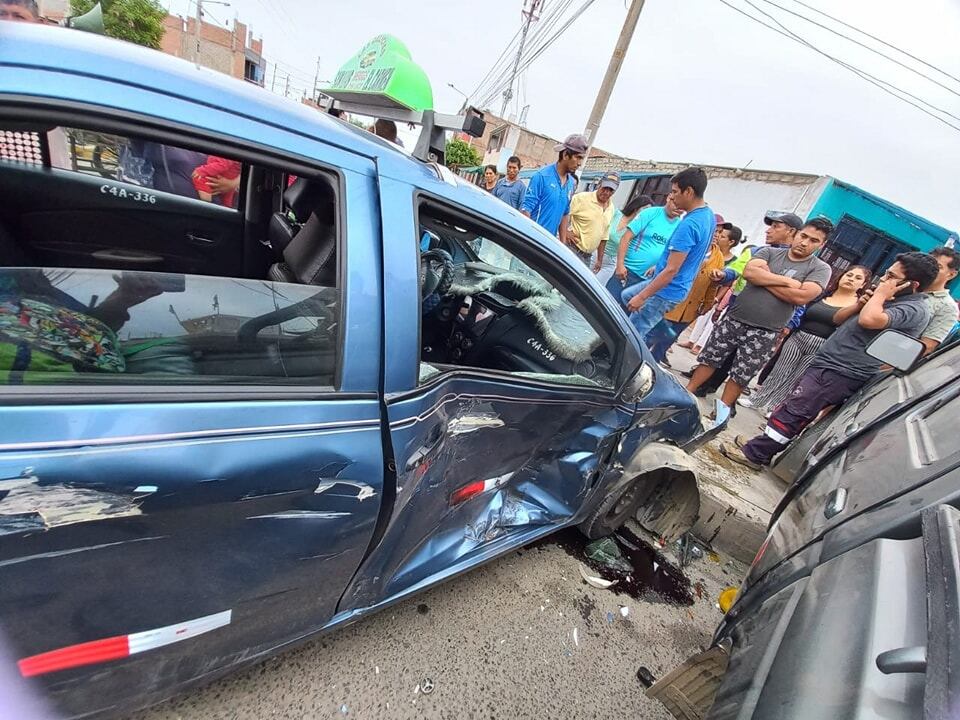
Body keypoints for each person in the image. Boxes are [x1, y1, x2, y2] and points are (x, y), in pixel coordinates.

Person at [722, 252, 939, 469]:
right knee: (792, 405)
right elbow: (838, 319)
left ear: (912, 284)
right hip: (829, 362)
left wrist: (879, 297)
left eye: (891, 276)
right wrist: (861, 303)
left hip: (843, 370)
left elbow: (869, 320)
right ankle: (761, 445)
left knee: (797, 410)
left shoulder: (914, 309)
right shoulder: (887, 300)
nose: (883, 280)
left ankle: (755, 454)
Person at [686, 218, 834, 425]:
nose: (805, 243)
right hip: (736, 318)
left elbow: (801, 297)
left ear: (822, 245)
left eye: (813, 241)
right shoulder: (768, 252)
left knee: (741, 375)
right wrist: (789, 282)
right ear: (796, 233)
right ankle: (686, 395)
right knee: (710, 359)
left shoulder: (820, 269)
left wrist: (766, 279)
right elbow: (749, 273)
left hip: (767, 330)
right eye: (803, 236)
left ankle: (720, 415)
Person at [685, 211, 803, 395]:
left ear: (791, 231)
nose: (768, 231)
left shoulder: (802, 265)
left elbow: (800, 297)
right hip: (738, 311)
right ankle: (700, 386)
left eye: (775, 226)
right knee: (715, 356)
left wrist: (763, 278)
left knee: (742, 369)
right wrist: (724, 275)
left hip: (768, 326)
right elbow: (740, 270)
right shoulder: (757, 252)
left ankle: (723, 404)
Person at [740, 265, 871, 414]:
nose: (851, 279)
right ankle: (757, 400)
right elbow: (801, 311)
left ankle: (775, 408)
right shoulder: (823, 295)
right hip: (799, 337)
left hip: (822, 346)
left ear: (863, 284)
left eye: (858, 278)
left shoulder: (858, 306)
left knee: (796, 379)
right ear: (841, 277)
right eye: (849, 275)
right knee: (780, 370)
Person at [617, 167, 716, 341]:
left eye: (675, 192)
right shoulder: (707, 215)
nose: (672, 196)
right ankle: (657, 324)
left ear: (689, 192)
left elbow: (672, 270)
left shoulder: (689, 224)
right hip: (667, 283)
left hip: (666, 290)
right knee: (626, 296)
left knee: (631, 334)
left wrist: (642, 296)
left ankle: (634, 353)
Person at [648, 224, 743, 364]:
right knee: (653, 333)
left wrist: (709, 303)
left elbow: (713, 284)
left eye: (719, 232)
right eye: (714, 231)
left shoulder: (718, 257)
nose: (716, 235)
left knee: (669, 338)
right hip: (672, 299)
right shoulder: (692, 247)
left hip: (692, 306)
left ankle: (653, 363)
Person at [604, 197, 682, 302]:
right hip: (627, 272)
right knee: (607, 304)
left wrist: (658, 266)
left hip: (647, 281)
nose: (679, 208)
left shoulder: (680, 226)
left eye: (682, 207)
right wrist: (620, 265)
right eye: (676, 204)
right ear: (669, 198)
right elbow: (626, 237)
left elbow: (673, 254)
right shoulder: (650, 213)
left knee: (625, 314)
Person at [520, 133, 585, 241]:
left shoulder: (571, 183)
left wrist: (562, 244)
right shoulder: (542, 176)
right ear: (565, 155)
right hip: (531, 242)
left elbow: (565, 214)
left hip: (549, 246)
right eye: (578, 157)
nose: (580, 163)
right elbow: (526, 211)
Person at [594, 194, 652, 284]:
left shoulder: (638, 230)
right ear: (637, 207)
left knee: (596, 286)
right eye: (645, 209)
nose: (646, 213)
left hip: (611, 262)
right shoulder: (616, 214)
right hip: (596, 252)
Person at [566, 172, 619, 266]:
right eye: (605, 188)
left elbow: (604, 236)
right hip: (571, 249)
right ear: (599, 184)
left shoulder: (611, 208)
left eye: (611, 190)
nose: (606, 192)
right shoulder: (582, 198)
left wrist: (599, 260)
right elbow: (561, 213)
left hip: (587, 257)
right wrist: (566, 231)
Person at [919, 247, 960, 354]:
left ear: (952, 274)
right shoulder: (906, 286)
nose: (930, 269)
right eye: (928, 264)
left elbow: (926, 347)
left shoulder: (947, 307)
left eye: (938, 267)